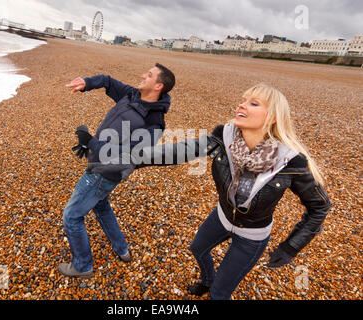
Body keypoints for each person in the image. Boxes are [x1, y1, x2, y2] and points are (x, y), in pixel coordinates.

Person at [137, 83, 331, 300]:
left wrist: (291, 247)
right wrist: (134, 159)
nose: (242, 104)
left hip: (252, 236)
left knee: (220, 294)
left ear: (273, 117)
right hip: (221, 217)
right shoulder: (224, 138)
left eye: (253, 103)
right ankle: (207, 281)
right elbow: (182, 150)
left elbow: (320, 206)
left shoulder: (289, 161)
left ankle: (215, 288)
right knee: (197, 249)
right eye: (243, 100)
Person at [59, 63, 175, 278]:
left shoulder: (154, 123)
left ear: (158, 85)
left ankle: (83, 266)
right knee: (101, 206)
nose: (143, 75)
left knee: (72, 216)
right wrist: (87, 83)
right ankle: (122, 250)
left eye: (148, 75)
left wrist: (91, 143)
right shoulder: (132, 95)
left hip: (104, 172)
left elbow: (127, 157)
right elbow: (107, 80)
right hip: (100, 164)